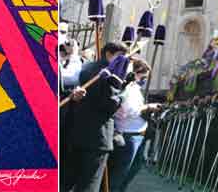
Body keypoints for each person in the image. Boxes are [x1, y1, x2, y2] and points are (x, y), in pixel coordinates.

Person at [61, 42, 127, 192]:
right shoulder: (109, 75)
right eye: (120, 56)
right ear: (109, 54)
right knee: (89, 185)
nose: (123, 60)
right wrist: (122, 96)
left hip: (76, 135)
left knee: (66, 182)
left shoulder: (87, 68)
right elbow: (108, 105)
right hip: (97, 139)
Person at [108, 58, 155, 192]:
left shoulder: (135, 88)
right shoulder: (126, 86)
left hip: (138, 134)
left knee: (131, 171)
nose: (144, 80)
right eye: (143, 76)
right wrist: (147, 108)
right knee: (119, 174)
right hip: (128, 135)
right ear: (136, 73)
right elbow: (126, 111)